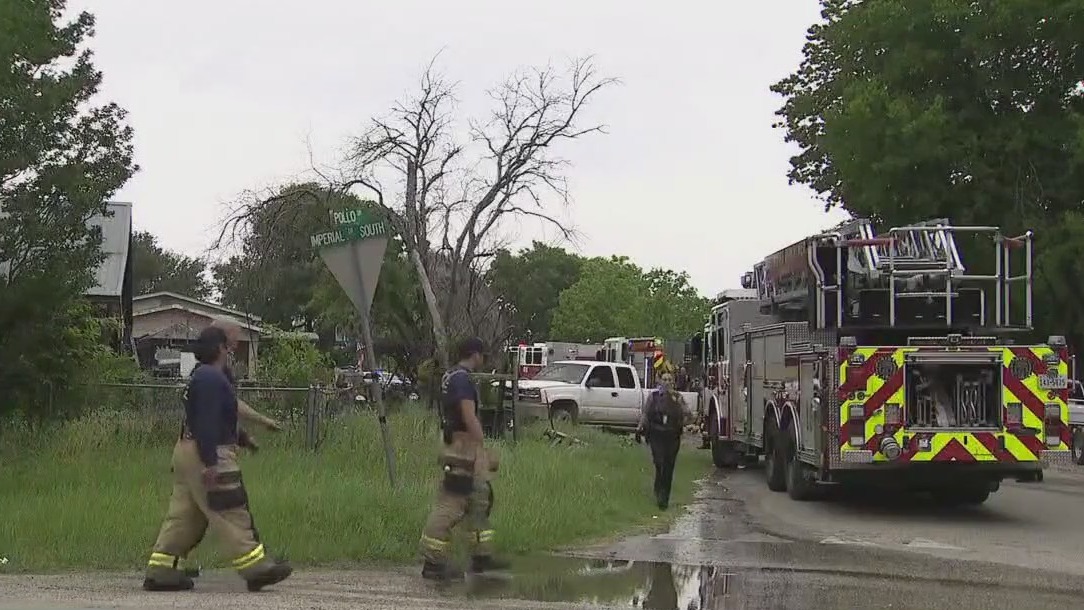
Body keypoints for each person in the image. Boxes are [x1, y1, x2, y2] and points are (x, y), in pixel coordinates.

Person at [142, 326, 292, 592]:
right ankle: (255, 568)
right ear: (221, 348)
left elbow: (218, 416)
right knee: (230, 508)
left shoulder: (202, 376)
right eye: (229, 344)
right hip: (207, 451)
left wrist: (243, 438)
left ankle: (161, 569)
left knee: (185, 516)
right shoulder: (212, 379)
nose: (232, 349)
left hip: (186, 449)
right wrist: (211, 462)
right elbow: (208, 422)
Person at [418, 337, 510, 581]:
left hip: (459, 445)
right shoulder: (461, 379)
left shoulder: (451, 376)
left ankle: (481, 558)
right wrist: (482, 447)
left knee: (478, 500)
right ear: (475, 354)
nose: (484, 359)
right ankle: (434, 562)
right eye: (483, 355)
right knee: (452, 504)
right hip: (462, 448)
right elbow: (468, 416)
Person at [638, 371, 686, 510]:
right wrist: (640, 427)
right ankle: (658, 489)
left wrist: (687, 422)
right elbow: (646, 414)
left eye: (669, 379)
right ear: (660, 381)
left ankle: (664, 498)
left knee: (669, 467)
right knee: (660, 463)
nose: (666, 382)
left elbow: (687, 414)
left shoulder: (678, 398)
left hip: (672, 436)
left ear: (673, 382)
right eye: (664, 379)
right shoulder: (653, 397)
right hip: (656, 435)